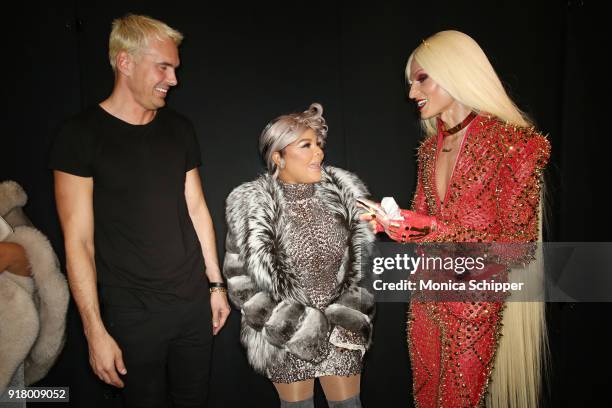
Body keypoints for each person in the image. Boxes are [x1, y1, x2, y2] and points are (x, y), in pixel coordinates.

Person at [49, 14, 230, 408]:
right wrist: (94, 331)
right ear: (125, 62)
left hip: (192, 306)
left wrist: (215, 285)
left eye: (175, 68)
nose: (174, 79)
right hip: (132, 316)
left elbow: (197, 208)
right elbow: (77, 242)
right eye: (163, 67)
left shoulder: (180, 129)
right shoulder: (80, 136)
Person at [367, 30, 550, 407]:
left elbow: (517, 250)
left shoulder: (516, 144)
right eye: (410, 82)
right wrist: (393, 224)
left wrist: (432, 228)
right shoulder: (429, 151)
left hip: (473, 303)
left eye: (421, 79)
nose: (412, 93)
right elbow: (422, 223)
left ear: (455, 73)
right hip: (424, 298)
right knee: (424, 398)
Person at [223, 103, 375, 408]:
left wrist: (348, 316)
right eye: (305, 145)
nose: (318, 153)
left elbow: (361, 268)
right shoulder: (253, 207)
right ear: (277, 156)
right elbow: (241, 284)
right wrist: (293, 327)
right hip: (284, 337)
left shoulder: (344, 199)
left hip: (341, 332)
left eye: (318, 144)